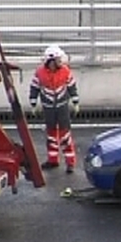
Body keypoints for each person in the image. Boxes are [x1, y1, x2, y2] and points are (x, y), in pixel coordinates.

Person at [29, 45, 80, 173]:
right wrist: (33, 103)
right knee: (51, 135)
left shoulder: (65, 71)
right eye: (57, 59)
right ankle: (53, 160)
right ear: (50, 61)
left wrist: (75, 101)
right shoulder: (40, 72)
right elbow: (34, 87)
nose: (60, 62)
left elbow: (71, 86)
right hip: (48, 108)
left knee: (65, 135)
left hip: (62, 107)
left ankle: (70, 163)